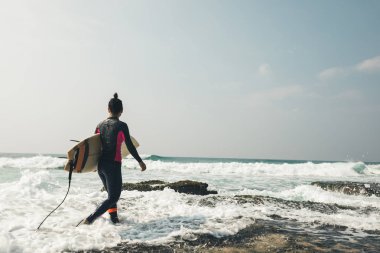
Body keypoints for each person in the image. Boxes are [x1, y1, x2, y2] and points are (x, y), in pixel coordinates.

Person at [81, 93, 146, 225]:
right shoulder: (122, 126)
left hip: (101, 166)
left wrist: (93, 165)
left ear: (108, 109)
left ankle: (114, 219)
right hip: (113, 165)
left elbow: (95, 147)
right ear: (121, 111)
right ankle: (90, 219)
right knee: (113, 197)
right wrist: (140, 161)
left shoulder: (99, 125)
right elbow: (130, 146)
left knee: (111, 196)